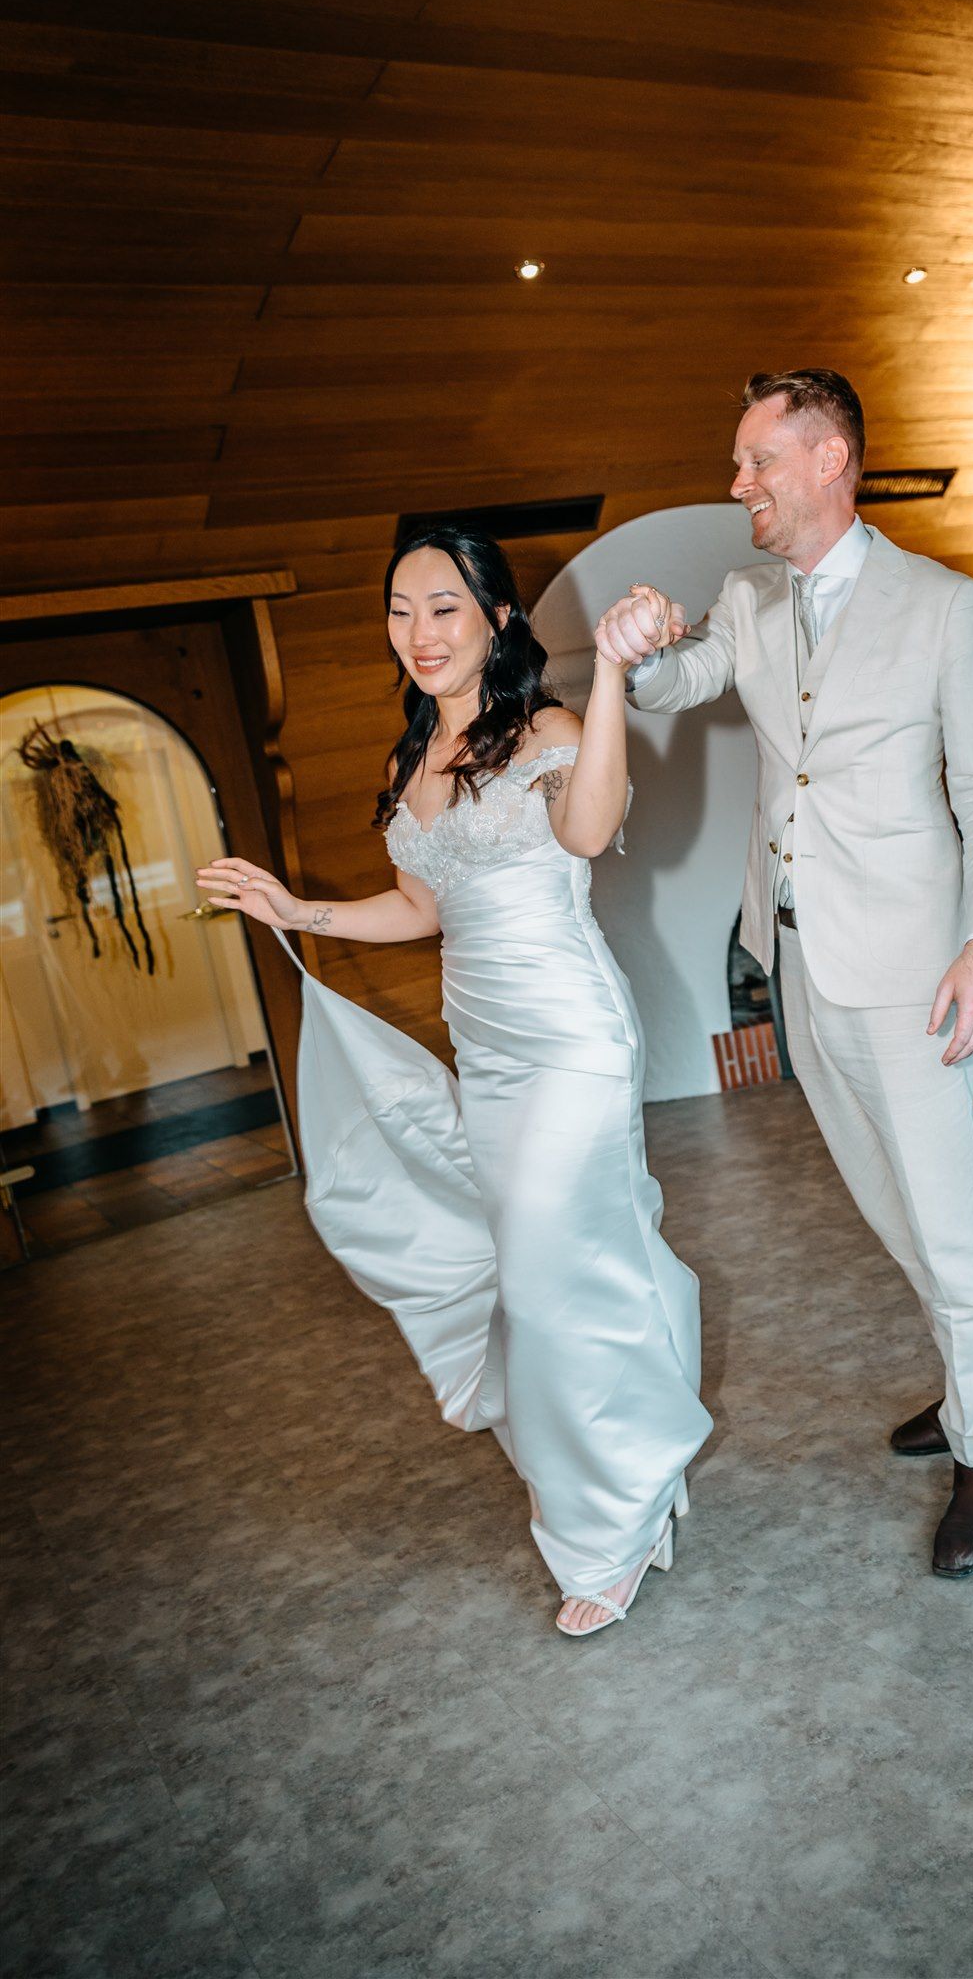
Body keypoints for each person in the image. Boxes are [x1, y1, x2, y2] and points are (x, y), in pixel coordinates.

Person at [197, 526, 711, 1635]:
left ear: (497, 618)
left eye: (444, 606)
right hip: (486, 1051)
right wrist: (299, 910)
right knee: (573, 1267)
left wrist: (613, 677)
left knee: (538, 1278)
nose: (420, 631)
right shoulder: (405, 759)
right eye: (400, 608)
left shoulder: (549, 729)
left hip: (571, 1036)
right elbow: (424, 908)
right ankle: (642, 1455)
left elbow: (587, 829)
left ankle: (603, 1536)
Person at [596, 369, 973, 1577]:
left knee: (948, 1225)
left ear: (831, 457)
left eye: (757, 459)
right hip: (799, 966)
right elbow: (673, 686)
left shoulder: (942, 606)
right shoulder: (747, 600)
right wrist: (639, 649)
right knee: (888, 1207)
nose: (737, 481)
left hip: (917, 972)